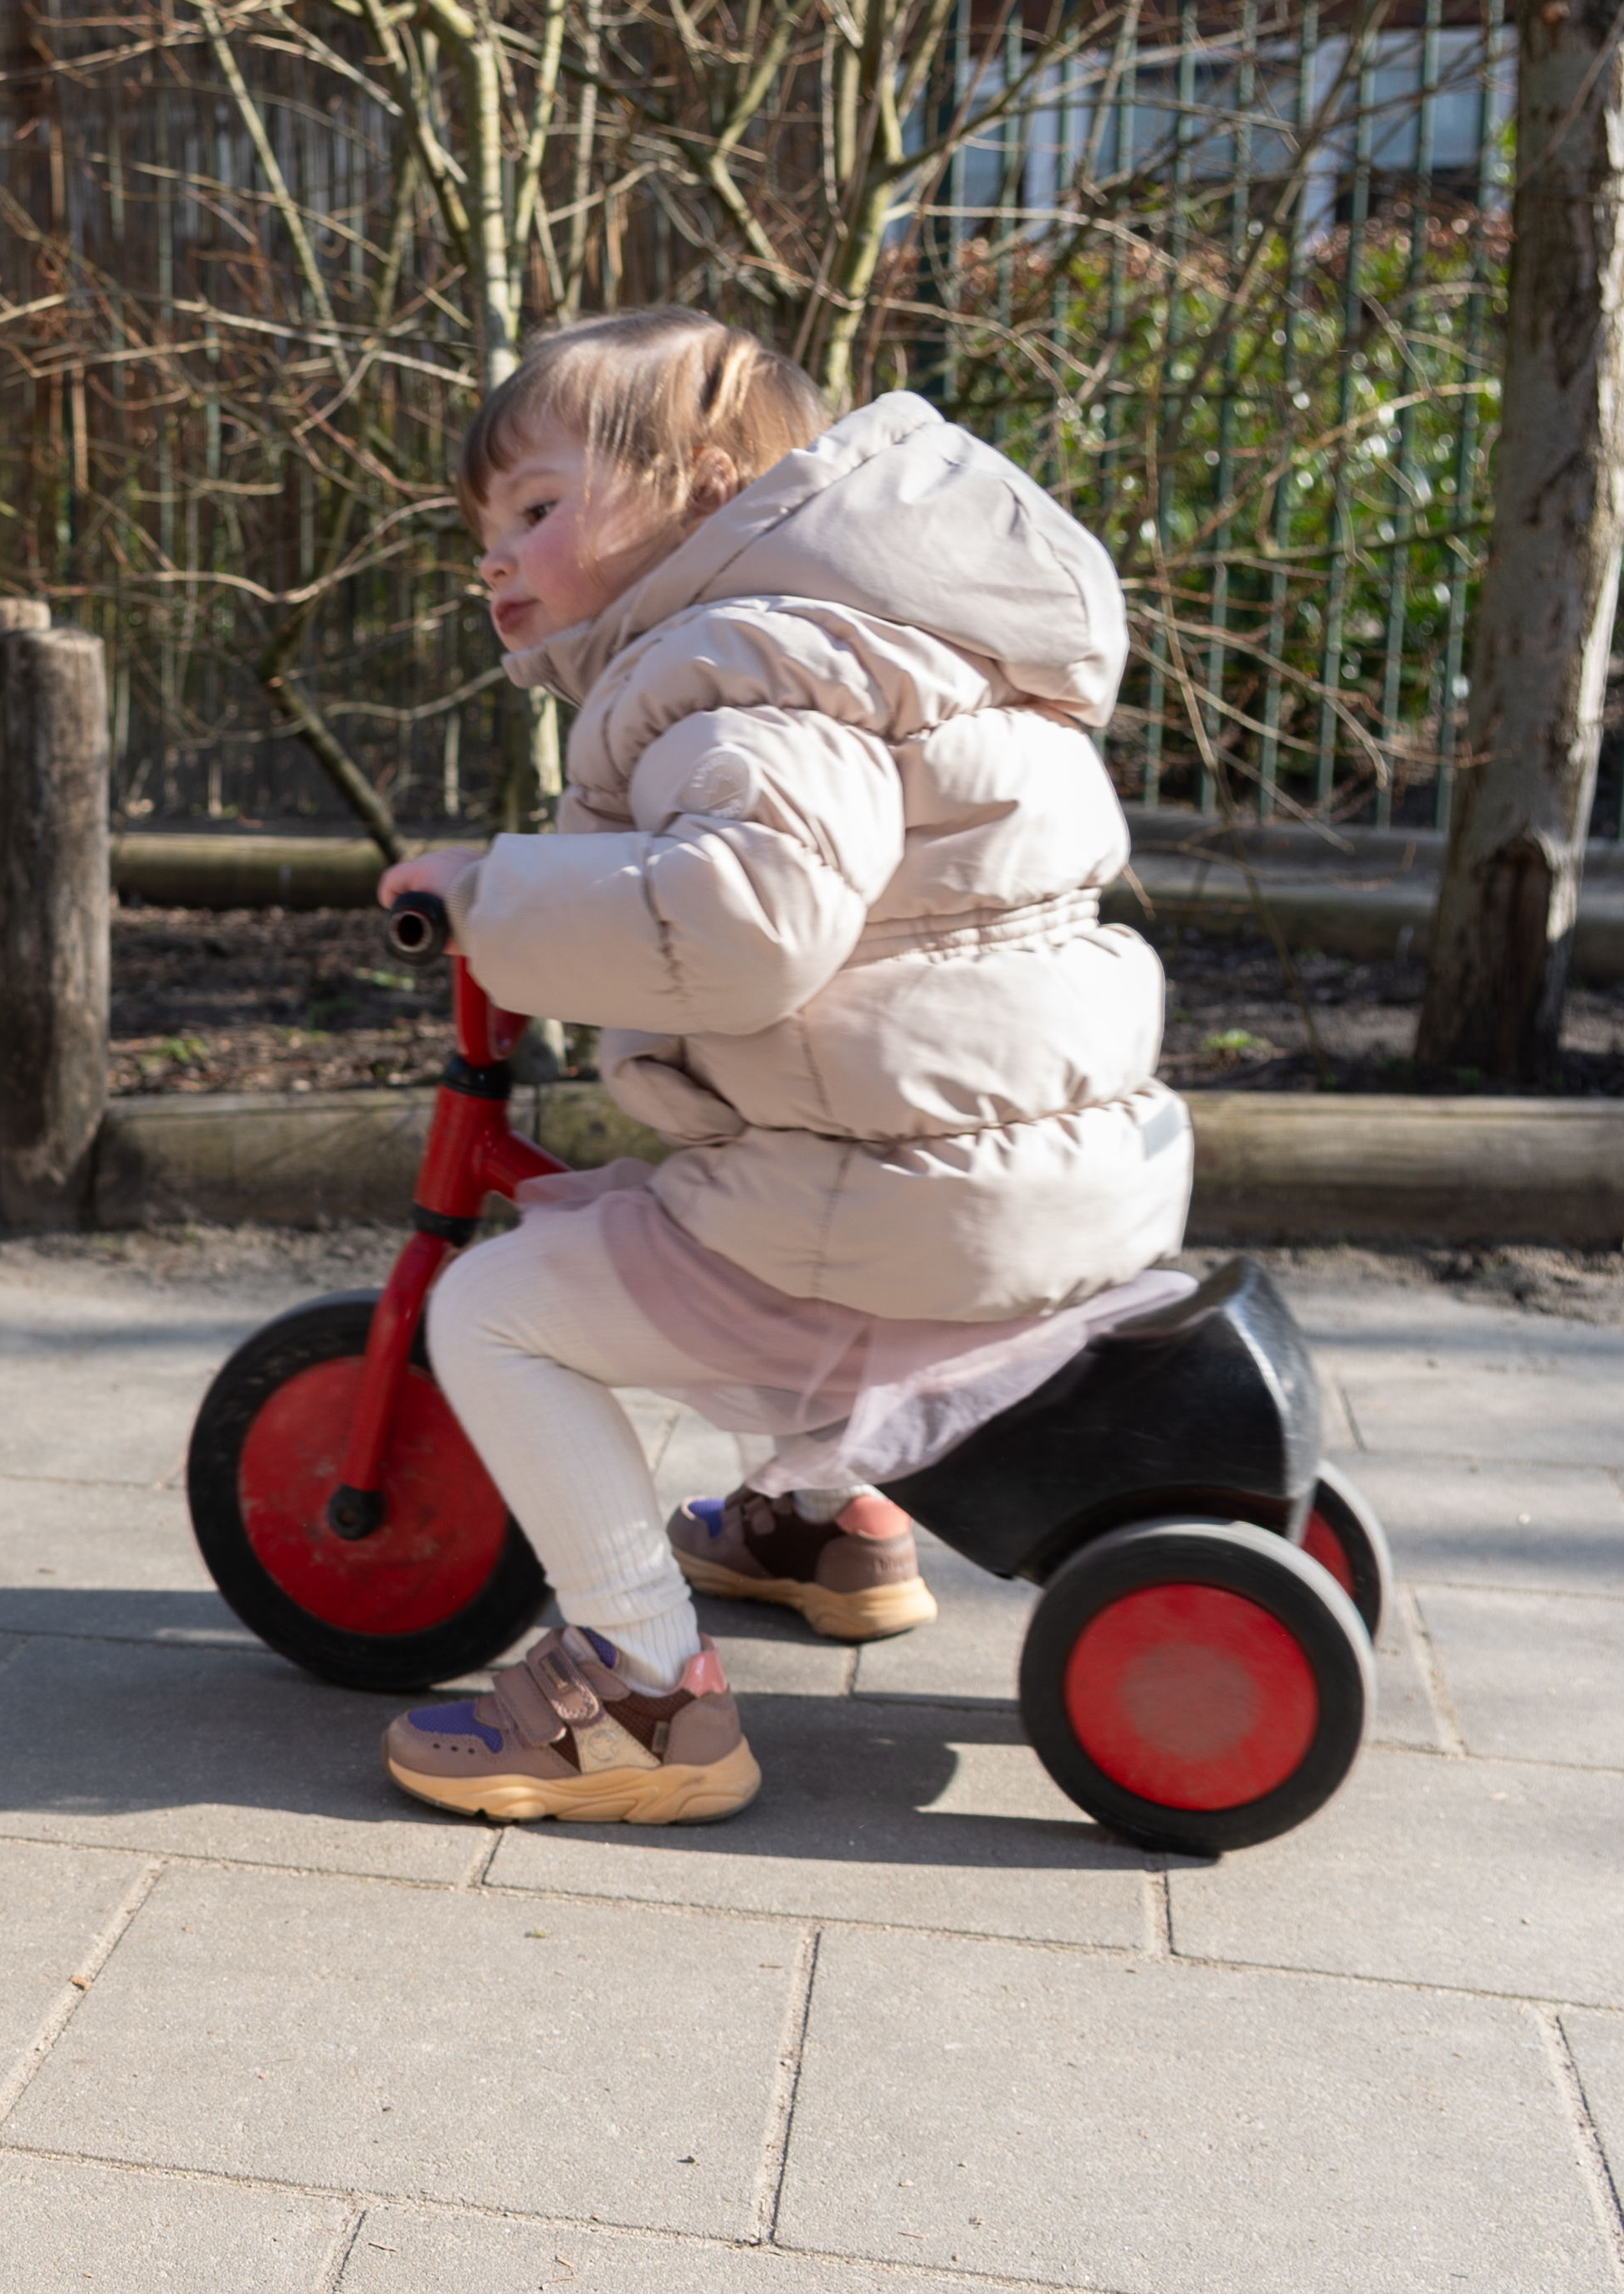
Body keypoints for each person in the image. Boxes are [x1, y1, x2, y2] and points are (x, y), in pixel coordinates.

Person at [368, 306, 1194, 1825]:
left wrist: (490, 897)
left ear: (698, 487)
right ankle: (824, 1525)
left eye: (538, 510)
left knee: (499, 1310)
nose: (497, 559)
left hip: (909, 1207)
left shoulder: (739, 666)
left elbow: (747, 927)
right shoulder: (887, 638)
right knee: (734, 1176)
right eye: (485, 527)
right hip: (1020, 1173)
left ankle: (635, 1694)